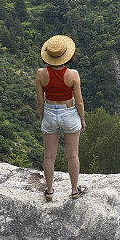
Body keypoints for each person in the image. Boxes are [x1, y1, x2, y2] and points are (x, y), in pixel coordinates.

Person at [36, 34, 87, 201]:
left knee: (49, 156)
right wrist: (82, 119)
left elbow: (39, 100)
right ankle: (74, 191)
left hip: (50, 112)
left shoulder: (41, 74)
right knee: (73, 155)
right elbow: (79, 101)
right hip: (69, 112)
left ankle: (49, 191)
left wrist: (43, 117)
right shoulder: (73, 74)